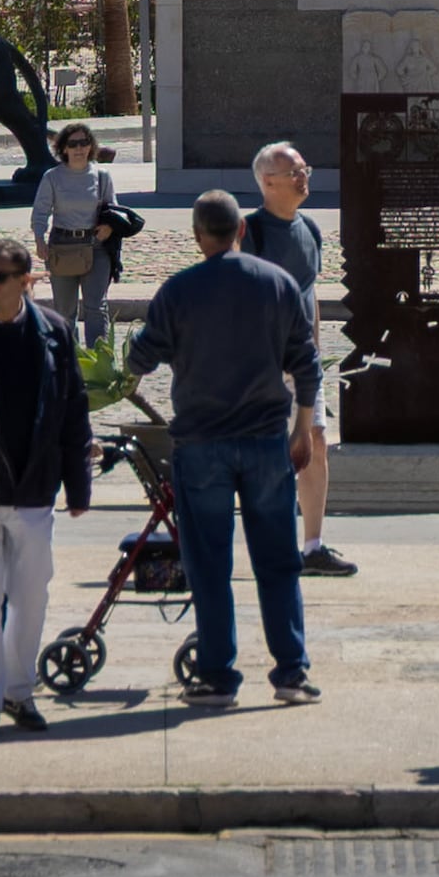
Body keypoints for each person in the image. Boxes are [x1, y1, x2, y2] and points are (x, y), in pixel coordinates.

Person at [126, 188, 322, 704]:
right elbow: (307, 365)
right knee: (277, 561)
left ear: (197, 237)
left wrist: (134, 354)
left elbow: (141, 358)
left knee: (209, 564)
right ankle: (291, 673)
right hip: (265, 441)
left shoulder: (178, 290)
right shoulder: (277, 284)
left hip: (201, 443)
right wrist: (302, 429)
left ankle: (217, 675)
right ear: (241, 230)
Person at [0, 232, 94, 741]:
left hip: (34, 489)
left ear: (27, 281)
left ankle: (19, 691)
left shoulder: (55, 330)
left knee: (31, 597)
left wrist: (78, 485)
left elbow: (73, 406)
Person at [243, 142, 352, 574]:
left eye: (305, 169)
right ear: (268, 182)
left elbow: (310, 294)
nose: (303, 177)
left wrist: (315, 352)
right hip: (265, 367)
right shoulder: (250, 233)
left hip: (304, 365)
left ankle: (313, 547)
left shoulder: (309, 229)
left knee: (315, 444)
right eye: (294, 172)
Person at [33, 124, 122, 341]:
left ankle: (98, 358)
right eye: (73, 144)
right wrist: (39, 239)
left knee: (96, 307)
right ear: (64, 148)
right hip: (62, 247)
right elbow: (40, 212)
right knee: (65, 311)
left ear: (91, 146)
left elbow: (115, 210)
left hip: (96, 247)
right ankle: (68, 357)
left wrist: (110, 227)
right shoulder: (52, 177)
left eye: (84, 143)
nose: (79, 148)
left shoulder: (102, 176)